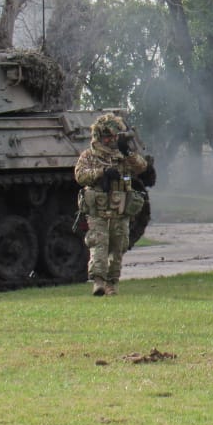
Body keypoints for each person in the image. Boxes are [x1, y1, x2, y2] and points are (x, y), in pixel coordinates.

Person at [74, 113, 149, 296]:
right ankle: (98, 281)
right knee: (99, 243)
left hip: (119, 207)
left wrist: (127, 152)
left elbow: (141, 167)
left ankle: (112, 282)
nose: (111, 140)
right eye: (107, 136)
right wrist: (102, 173)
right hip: (98, 208)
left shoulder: (122, 156)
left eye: (114, 136)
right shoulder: (90, 156)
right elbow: (80, 175)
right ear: (99, 136)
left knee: (118, 246)